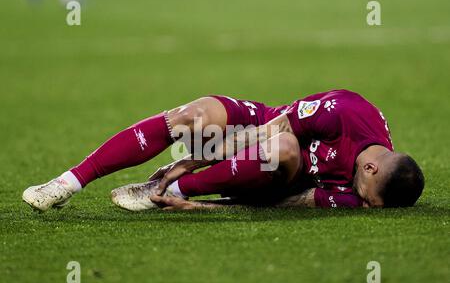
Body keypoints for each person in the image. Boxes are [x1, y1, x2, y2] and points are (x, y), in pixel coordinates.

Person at [22, 89, 424, 212]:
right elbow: (272, 127)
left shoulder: (361, 192)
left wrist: (208, 207)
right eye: (371, 200)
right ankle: (67, 183)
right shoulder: (347, 113)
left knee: (282, 150)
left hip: (275, 172)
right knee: (193, 115)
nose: (368, 207)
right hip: (266, 124)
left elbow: (295, 201)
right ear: (371, 168)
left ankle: (166, 193)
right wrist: (195, 157)